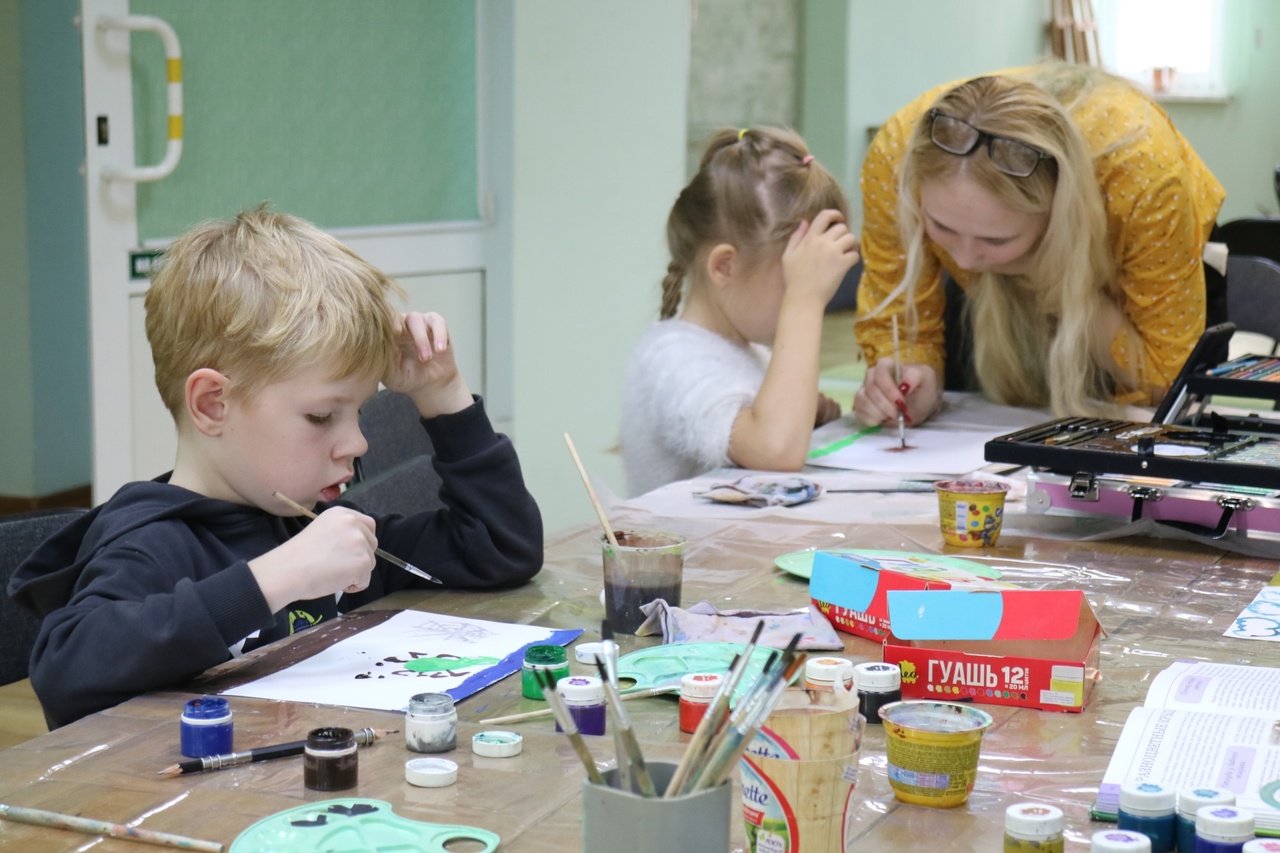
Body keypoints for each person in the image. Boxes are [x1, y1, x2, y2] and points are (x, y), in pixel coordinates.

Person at [8, 207, 543, 728]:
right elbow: (65, 672)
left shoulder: (308, 524)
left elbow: (501, 549)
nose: (358, 442)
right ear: (213, 405)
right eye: (321, 416)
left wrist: (443, 395)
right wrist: (275, 579)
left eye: (358, 412)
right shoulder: (151, 546)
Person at [853, 65, 1226, 429]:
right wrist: (915, 375)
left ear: (1057, 215)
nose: (964, 260)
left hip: (1131, 278)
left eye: (995, 239)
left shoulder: (1144, 178)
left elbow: (1169, 381)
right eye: (941, 227)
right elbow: (902, 326)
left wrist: (1053, 277)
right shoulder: (897, 156)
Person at [620, 127, 859, 496]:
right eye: (793, 281)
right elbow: (774, 449)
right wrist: (804, 301)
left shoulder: (748, 350)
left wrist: (810, 419)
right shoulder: (671, 359)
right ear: (725, 267)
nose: (818, 302)